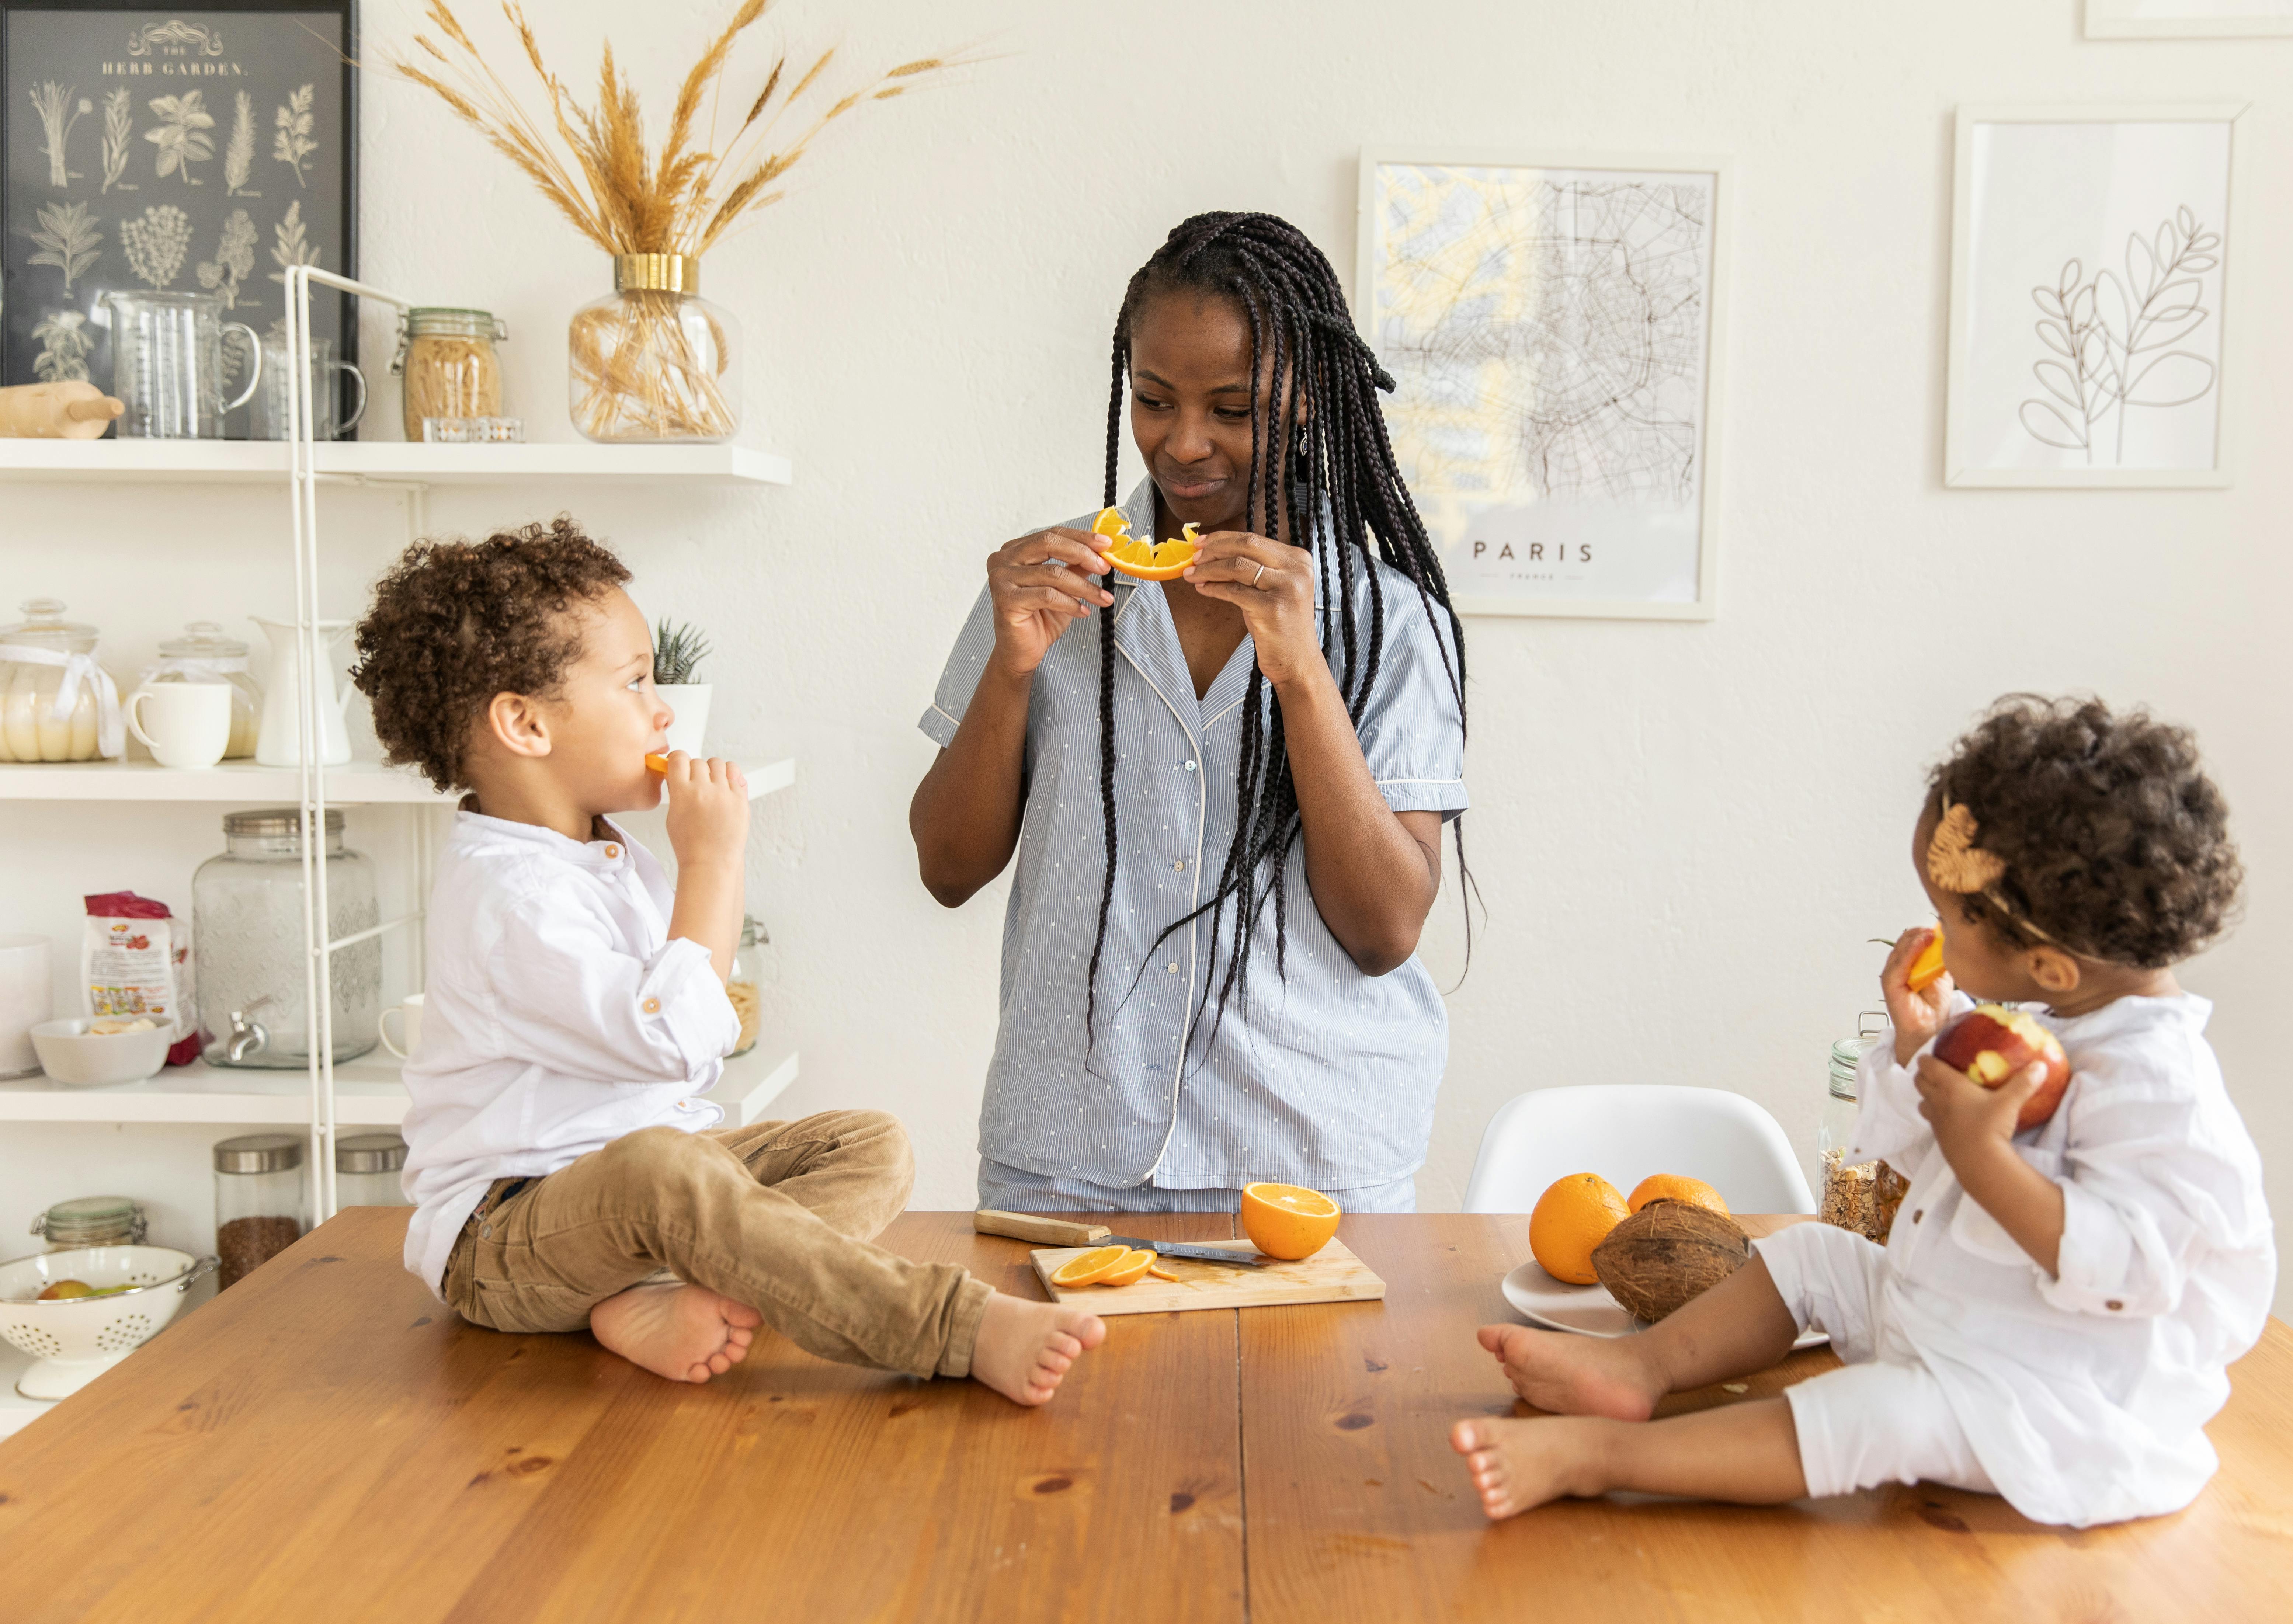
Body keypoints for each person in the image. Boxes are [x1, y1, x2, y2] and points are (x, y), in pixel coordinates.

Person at [1452, 695, 2273, 1526]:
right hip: (1959, 1325)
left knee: (1881, 1413)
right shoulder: (2058, 1024)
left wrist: (1982, 1152)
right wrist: (1922, 1048)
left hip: (2048, 1406)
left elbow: (2130, 1265)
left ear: (2050, 965)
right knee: (1811, 1255)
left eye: (1952, 917)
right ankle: (1638, 1369)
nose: (1934, 935)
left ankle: (1599, 1459)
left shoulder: (2160, 1088)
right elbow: (1934, 1167)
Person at [353, 519, 1104, 1403]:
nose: (663, 709)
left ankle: (676, 1290)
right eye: (634, 684)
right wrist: (712, 863)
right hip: (507, 1235)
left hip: (634, 1202)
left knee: (865, 1143)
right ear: (523, 723)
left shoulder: (593, 850)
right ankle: (951, 1326)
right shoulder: (508, 898)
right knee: (661, 1170)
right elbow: (676, 1040)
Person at [909, 211, 1473, 1214]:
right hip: (1066, 1160)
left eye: (1231, 406)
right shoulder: (1051, 581)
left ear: (1305, 399)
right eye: (1154, 399)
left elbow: (1386, 927)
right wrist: (1010, 668)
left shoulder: (1385, 618)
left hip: (1307, 1168)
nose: (1183, 441)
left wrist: (1303, 676)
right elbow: (949, 868)